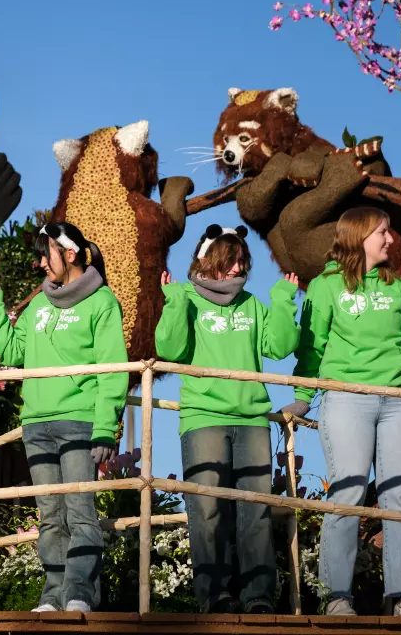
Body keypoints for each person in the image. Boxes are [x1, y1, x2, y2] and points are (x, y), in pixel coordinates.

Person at [280, 207, 401, 617]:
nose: (390, 239)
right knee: (347, 493)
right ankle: (337, 598)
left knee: (400, 497)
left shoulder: (399, 287)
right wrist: (302, 396)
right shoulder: (325, 286)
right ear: (360, 236)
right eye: (383, 232)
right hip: (346, 398)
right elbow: (311, 349)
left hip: (398, 401)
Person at [0, 222, 129, 613]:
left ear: (70, 255)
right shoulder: (39, 304)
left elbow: (112, 369)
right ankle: (53, 595)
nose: (41, 262)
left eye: (47, 254)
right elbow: (11, 353)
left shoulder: (102, 302)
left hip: (79, 421)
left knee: (80, 513)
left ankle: (80, 594)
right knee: (49, 517)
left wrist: (105, 428)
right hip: (37, 424)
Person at [154, 224, 299, 614]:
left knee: (255, 511)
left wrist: (284, 298)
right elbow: (169, 349)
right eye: (230, 260)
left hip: (252, 419)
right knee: (208, 511)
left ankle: (257, 598)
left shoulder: (252, 304)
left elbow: (281, 347)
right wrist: (172, 302)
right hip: (203, 417)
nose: (238, 267)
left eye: (242, 261)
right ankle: (214, 597)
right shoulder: (185, 297)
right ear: (208, 261)